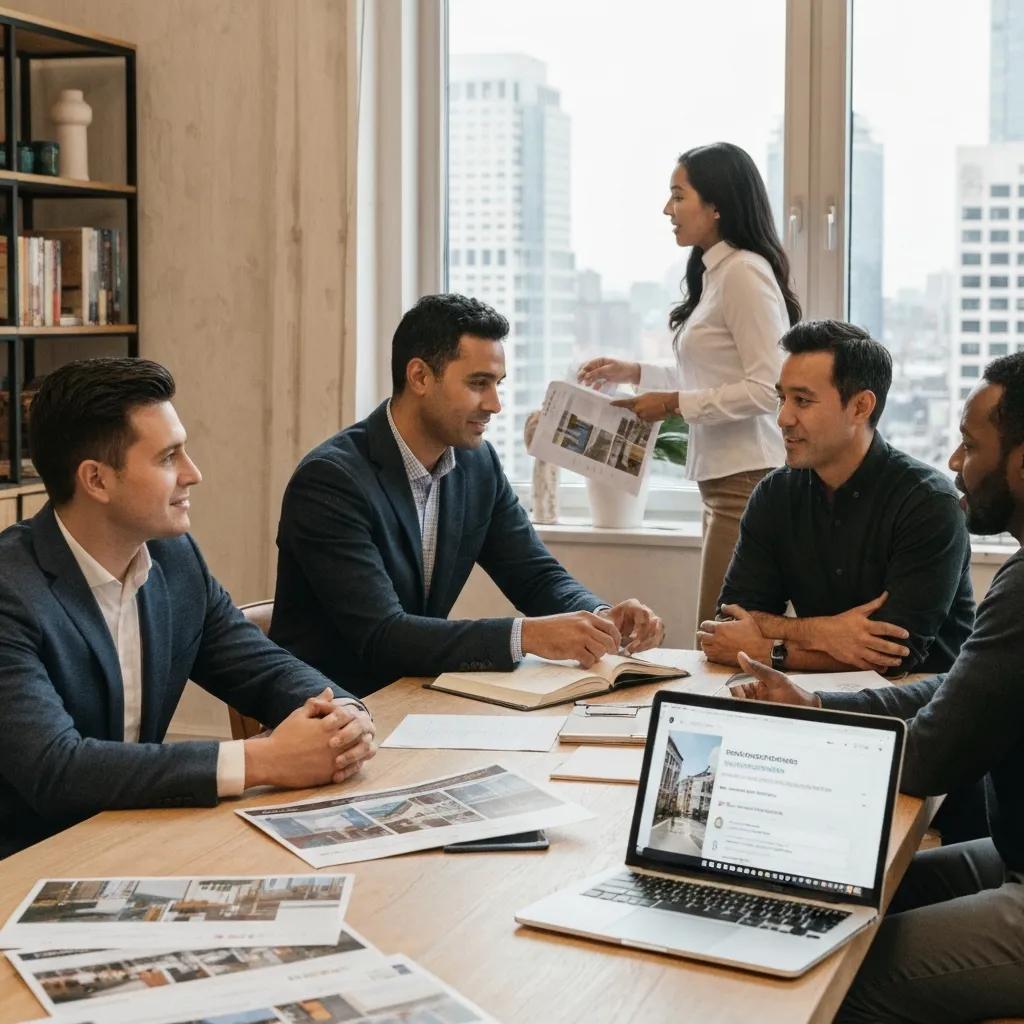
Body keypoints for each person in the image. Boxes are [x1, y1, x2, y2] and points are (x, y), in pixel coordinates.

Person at [728, 351, 1024, 1023]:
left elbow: (927, 755)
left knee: (825, 976)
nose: (955, 460)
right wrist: (817, 702)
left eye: (972, 445)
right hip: (1010, 855)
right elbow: (958, 684)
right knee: (828, 901)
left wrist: (810, 738)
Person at [0, 358, 376, 859]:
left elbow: (262, 669)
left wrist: (343, 716)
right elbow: (57, 769)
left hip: (134, 839)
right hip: (27, 862)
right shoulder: (11, 589)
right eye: (168, 458)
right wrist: (260, 761)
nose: (193, 474)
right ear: (96, 480)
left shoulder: (175, 560)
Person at [271, 293, 664, 698]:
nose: (495, 404)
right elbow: (382, 634)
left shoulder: (477, 465)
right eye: (479, 384)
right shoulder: (331, 481)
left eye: (498, 384)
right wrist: (526, 636)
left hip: (415, 696)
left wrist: (601, 617)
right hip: (331, 710)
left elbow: (533, 574)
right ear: (420, 377)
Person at [578, 142, 800, 642]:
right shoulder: (717, 273)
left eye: (678, 196)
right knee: (718, 636)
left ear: (717, 205)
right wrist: (637, 371)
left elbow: (769, 388)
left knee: (720, 638)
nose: (667, 209)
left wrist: (673, 403)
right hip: (724, 484)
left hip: (746, 481)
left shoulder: (744, 272)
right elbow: (715, 373)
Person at [698, 320, 974, 676]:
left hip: (918, 708)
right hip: (808, 697)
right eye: (783, 398)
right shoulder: (774, 494)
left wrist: (771, 651)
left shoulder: (928, 503)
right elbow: (730, 621)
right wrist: (821, 631)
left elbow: (893, 659)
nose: (783, 418)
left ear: (860, 407)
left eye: (802, 401)